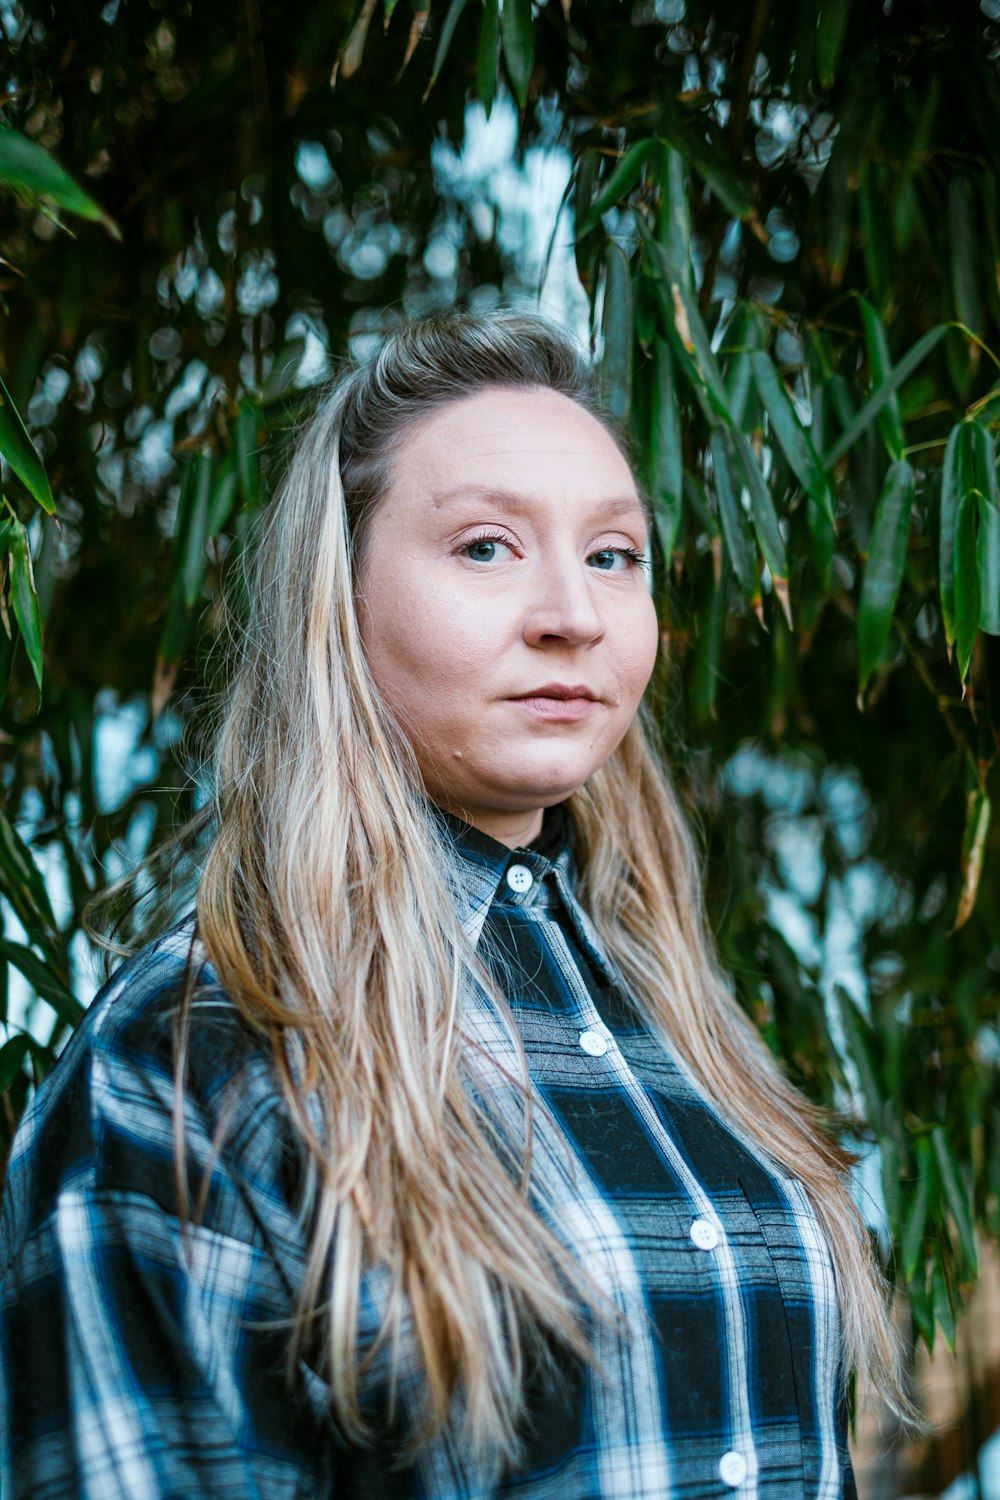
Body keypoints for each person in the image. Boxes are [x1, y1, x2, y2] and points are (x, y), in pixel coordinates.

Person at [0, 312, 902, 1498]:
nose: (570, 613)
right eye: (485, 547)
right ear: (341, 599)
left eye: (612, 555)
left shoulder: (671, 1013)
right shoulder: (195, 1059)